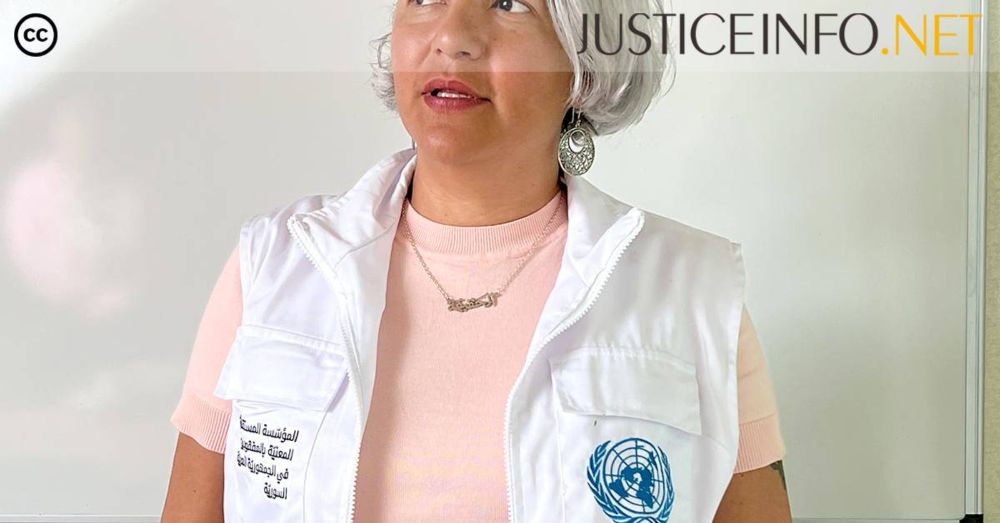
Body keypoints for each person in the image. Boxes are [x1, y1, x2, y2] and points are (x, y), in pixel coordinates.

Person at [162, 0, 790, 521]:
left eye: (510, 3)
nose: (452, 37)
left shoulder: (693, 292)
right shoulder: (274, 265)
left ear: (584, 63)